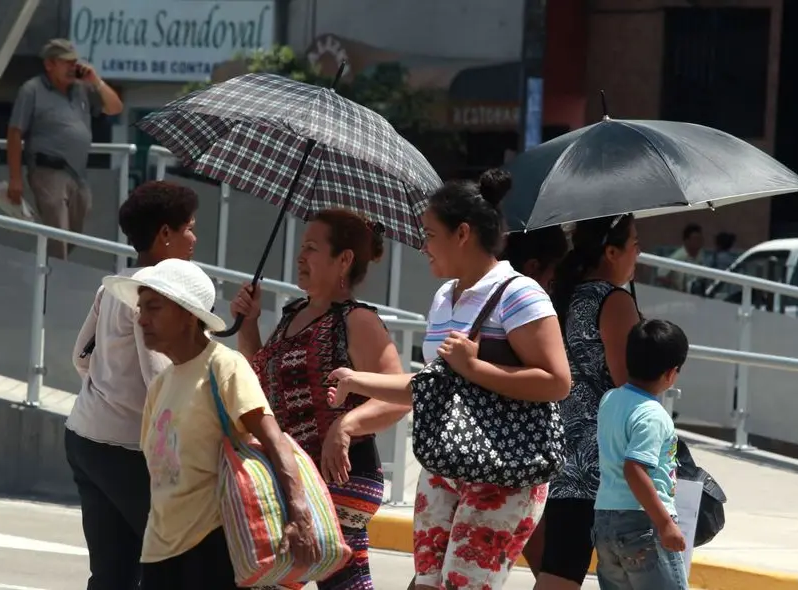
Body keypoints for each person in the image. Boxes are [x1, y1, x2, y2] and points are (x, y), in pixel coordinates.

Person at [326, 169, 572, 590]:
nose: (423, 247)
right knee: (425, 584)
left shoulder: (520, 293)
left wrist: (476, 367)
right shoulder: (444, 297)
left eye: (430, 234)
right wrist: (355, 380)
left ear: (462, 233)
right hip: (445, 463)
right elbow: (434, 385)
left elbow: (556, 382)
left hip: (505, 469)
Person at [102, 258, 320, 588]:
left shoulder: (224, 367)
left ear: (189, 315)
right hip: (158, 553)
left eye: (154, 308)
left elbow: (274, 439)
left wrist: (299, 512)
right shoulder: (162, 384)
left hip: (211, 551)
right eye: (141, 308)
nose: (142, 318)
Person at [230, 209, 407, 590]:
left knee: (274, 575)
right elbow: (260, 381)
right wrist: (248, 324)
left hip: (339, 474)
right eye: (301, 247)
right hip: (298, 472)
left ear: (344, 260)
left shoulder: (357, 320)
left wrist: (345, 426)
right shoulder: (294, 313)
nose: (300, 257)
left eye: (311, 248)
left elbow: (401, 396)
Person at [68, 181, 199, 590]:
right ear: (165, 234)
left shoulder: (115, 283)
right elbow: (159, 377)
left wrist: (110, 389)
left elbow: (80, 357)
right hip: (126, 454)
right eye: (189, 228)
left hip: (85, 438)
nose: (193, 238)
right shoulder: (155, 294)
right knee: (171, 566)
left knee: (111, 573)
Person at [534, 214, 641, 590]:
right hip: (598, 461)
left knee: (559, 566)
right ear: (611, 252)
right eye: (634, 245)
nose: (639, 254)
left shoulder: (560, 294)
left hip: (555, 450)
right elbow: (630, 383)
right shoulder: (613, 302)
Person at [594, 319, 689, 590]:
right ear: (671, 373)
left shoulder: (610, 399)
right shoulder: (652, 414)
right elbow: (634, 469)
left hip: (605, 518)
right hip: (642, 521)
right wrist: (664, 524)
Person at [7, 38, 123, 260]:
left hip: (78, 173)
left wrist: (96, 81)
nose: (73, 67)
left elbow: (115, 107)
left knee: (74, 233)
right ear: (49, 64)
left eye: (74, 62)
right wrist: (15, 178)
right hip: (47, 169)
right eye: (66, 62)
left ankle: (41, 264)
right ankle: (54, 283)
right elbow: (14, 133)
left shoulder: (80, 90)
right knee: (57, 231)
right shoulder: (32, 90)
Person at [499, 225, 570, 577]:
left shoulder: (483, 298)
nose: (552, 289)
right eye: (552, 279)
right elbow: (557, 383)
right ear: (531, 268)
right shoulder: (522, 312)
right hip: (510, 462)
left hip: (505, 460)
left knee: (437, 573)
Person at [657, 223, 704, 292]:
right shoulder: (678, 256)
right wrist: (674, 286)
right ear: (686, 241)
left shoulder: (700, 256)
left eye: (700, 239)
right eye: (695, 239)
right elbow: (660, 275)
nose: (698, 242)